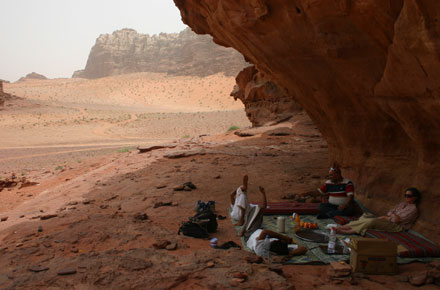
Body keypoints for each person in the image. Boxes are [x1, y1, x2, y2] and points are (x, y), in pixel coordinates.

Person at [239, 186, 307, 258]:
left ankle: (243, 230)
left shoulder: (261, 248)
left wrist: (284, 237)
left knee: (257, 210)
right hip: (255, 233)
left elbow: (265, 232)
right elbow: (304, 249)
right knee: (255, 213)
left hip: (251, 233)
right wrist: (290, 254)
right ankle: (244, 229)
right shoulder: (279, 251)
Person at [336, 188, 420, 235]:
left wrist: (389, 216)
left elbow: (396, 221)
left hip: (397, 227)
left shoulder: (413, 209)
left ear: (415, 197)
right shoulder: (402, 204)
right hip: (389, 221)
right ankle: (343, 227)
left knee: (372, 221)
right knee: (365, 216)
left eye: (409, 196)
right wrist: (391, 216)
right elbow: (390, 212)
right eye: (405, 195)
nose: (406, 197)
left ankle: (350, 231)